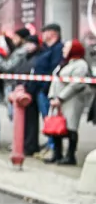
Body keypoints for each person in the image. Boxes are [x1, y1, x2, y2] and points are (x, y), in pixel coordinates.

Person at [46, 39, 94, 165]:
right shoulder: (64, 63)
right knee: (56, 128)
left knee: (70, 128)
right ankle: (57, 154)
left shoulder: (80, 65)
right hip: (57, 101)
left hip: (72, 101)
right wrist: (52, 97)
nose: (63, 50)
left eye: (66, 47)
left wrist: (60, 98)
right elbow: (55, 79)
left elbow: (76, 84)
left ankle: (70, 156)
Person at [31, 23, 64, 157]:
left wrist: (45, 87)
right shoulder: (45, 49)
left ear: (53, 33)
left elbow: (53, 69)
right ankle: (50, 144)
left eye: (45, 32)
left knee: (51, 119)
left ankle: (53, 147)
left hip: (48, 90)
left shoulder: (58, 49)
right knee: (46, 119)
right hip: (41, 89)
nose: (43, 35)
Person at [7, 28, 41, 153]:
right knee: (24, 121)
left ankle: (30, 145)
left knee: (31, 122)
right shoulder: (27, 57)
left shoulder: (35, 58)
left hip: (30, 92)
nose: (27, 47)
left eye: (29, 44)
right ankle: (25, 144)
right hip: (23, 90)